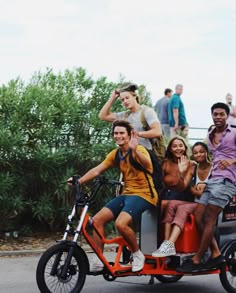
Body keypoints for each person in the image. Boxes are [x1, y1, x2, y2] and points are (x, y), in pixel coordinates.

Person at [71, 120, 158, 273]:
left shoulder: (140, 149)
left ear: (130, 135)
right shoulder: (115, 154)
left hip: (144, 194)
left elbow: (148, 165)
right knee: (97, 221)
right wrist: (79, 180)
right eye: (116, 133)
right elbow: (98, 170)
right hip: (127, 194)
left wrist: (135, 150)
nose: (118, 136)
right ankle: (98, 258)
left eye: (121, 133)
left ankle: (137, 254)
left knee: (121, 223)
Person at [177, 102, 236, 273]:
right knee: (198, 216)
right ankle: (216, 253)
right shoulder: (210, 134)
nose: (218, 117)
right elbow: (199, 151)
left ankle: (197, 258)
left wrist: (232, 161)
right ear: (211, 116)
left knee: (209, 218)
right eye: (215, 114)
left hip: (227, 181)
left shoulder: (234, 132)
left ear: (226, 116)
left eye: (221, 114)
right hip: (212, 180)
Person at [152, 142, 212, 257]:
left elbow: (213, 190)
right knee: (171, 204)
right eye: (195, 153)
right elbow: (182, 187)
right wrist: (181, 172)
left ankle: (170, 243)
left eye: (201, 152)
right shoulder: (194, 167)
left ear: (207, 153)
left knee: (182, 208)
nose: (198, 154)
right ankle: (166, 244)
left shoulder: (213, 168)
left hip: (207, 204)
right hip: (196, 202)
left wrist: (199, 192)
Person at [98, 83, 162, 150]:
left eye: (127, 98)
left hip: (145, 152)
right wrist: (112, 98)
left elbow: (157, 132)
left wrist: (137, 134)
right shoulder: (124, 115)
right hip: (128, 152)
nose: (125, 101)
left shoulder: (147, 111)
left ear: (134, 96)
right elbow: (103, 116)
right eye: (122, 100)